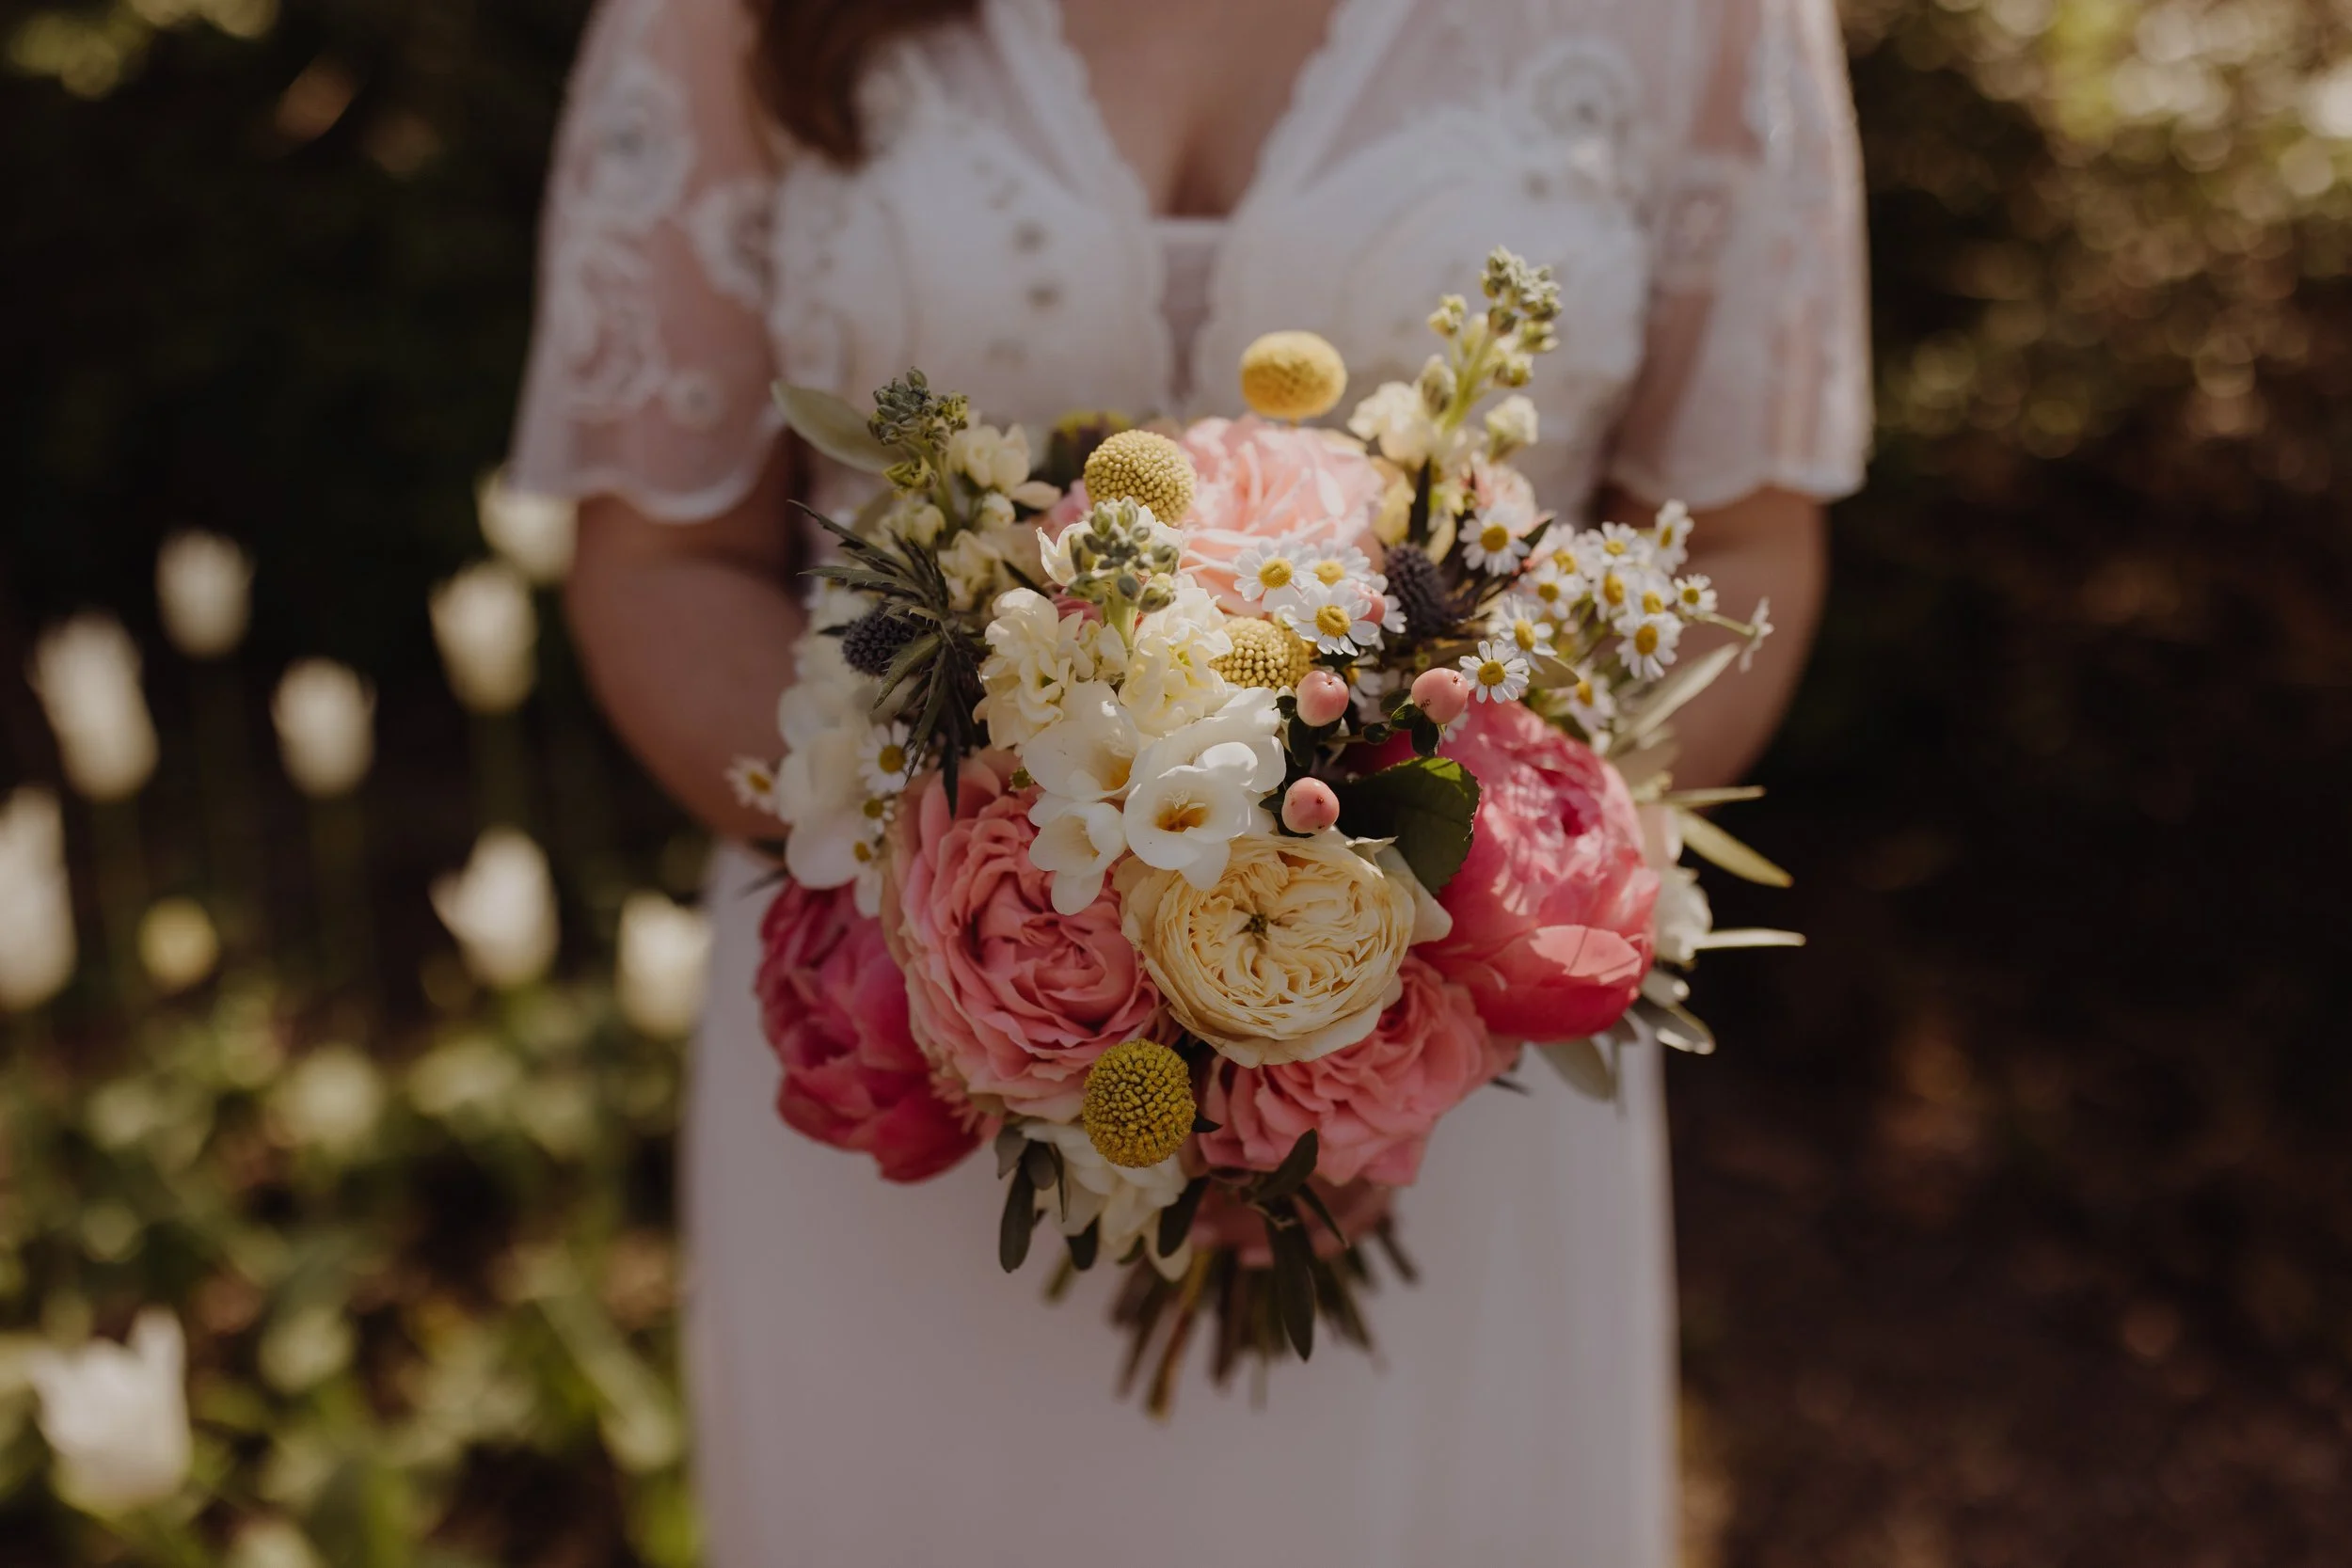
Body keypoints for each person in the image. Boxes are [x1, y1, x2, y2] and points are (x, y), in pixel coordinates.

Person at [512, 0, 1869, 1560]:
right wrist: (989, 945)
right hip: (922, 1060)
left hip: (1446, 1103)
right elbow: (666, 560)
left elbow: (1744, 544)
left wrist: (1405, 980)